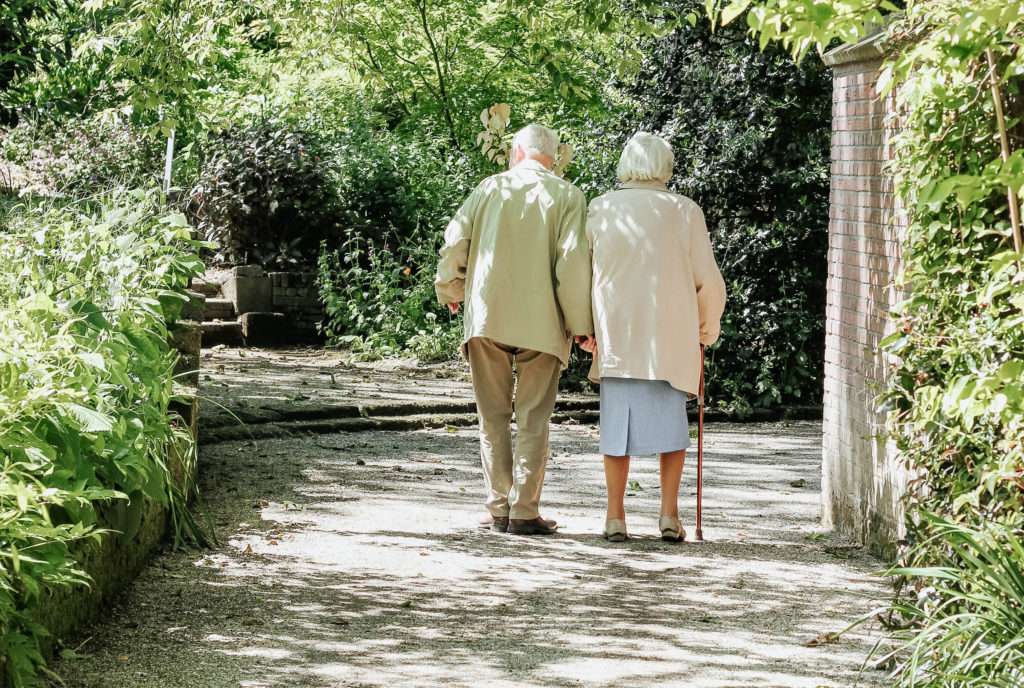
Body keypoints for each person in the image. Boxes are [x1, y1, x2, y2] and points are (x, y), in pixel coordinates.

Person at [435, 124, 596, 536]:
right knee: (533, 418)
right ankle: (524, 511)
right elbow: (573, 264)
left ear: (517, 152)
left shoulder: (488, 188)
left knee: (492, 417)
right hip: (543, 322)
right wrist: (581, 326)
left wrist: (450, 288)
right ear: (553, 156)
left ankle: (497, 508)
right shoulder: (568, 195)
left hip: (488, 316)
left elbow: (456, 244)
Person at [581, 132, 726, 543]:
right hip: (670, 336)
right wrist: (706, 327)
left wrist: (584, 328)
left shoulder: (601, 208)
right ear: (666, 166)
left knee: (615, 430)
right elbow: (709, 281)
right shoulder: (684, 211)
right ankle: (668, 514)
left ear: (626, 164)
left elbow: (583, 275)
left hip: (618, 335)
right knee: (672, 429)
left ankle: (614, 516)